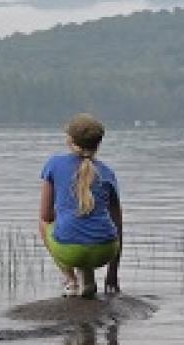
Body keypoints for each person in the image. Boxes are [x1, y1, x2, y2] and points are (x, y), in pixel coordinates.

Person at [39, 113, 122, 299]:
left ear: (70, 140)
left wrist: (65, 218)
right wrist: (113, 273)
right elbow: (118, 225)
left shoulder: (54, 164)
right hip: (105, 250)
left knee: (44, 224)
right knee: (90, 228)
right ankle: (88, 279)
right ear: (98, 144)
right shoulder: (108, 173)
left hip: (70, 251)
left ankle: (71, 281)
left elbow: (46, 215)